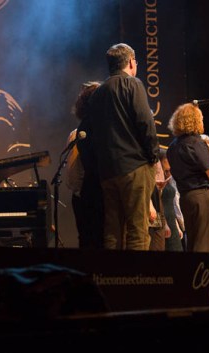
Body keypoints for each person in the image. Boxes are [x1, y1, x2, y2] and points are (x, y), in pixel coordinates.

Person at [88, 43, 159, 250]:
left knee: (112, 232)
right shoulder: (132, 84)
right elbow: (146, 123)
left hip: (108, 171)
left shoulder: (97, 94)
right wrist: (153, 156)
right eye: (135, 61)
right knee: (138, 231)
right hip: (134, 167)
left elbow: (93, 134)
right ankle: (137, 280)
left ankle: (113, 279)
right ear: (130, 62)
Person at [166, 103, 209, 252]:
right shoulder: (196, 142)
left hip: (186, 198)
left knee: (193, 242)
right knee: (205, 243)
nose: (202, 122)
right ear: (194, 120)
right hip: (202, 196)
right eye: (201, 119)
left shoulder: (172, 147)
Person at [65, 81, 103, 249]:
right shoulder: (87, 134)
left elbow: (71, 179)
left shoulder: (74, 134)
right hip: (93, 195)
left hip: (80, 196)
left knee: (86, 242)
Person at [159, 149, 185, 252]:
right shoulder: (157, 177)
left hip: (172, 223)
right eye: (166, 159)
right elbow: (160, 203)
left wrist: (177, 226)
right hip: (163, 222)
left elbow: (171, 204)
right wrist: (165, 224)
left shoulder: (169, 175)